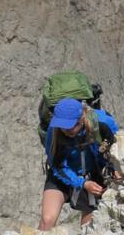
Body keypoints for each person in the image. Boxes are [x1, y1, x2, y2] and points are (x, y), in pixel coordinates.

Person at [38, 98, 118, 231]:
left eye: (70, 125)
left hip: (93, 175)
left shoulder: (102, 122)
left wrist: (114, 169)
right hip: (62, 174)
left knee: (88, 226)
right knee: (47, 221)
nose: (66, 130)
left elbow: (116, 146)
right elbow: (56, 164)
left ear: (81, 118)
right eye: (62, 126)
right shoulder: (55, 131)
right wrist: (82, 183)